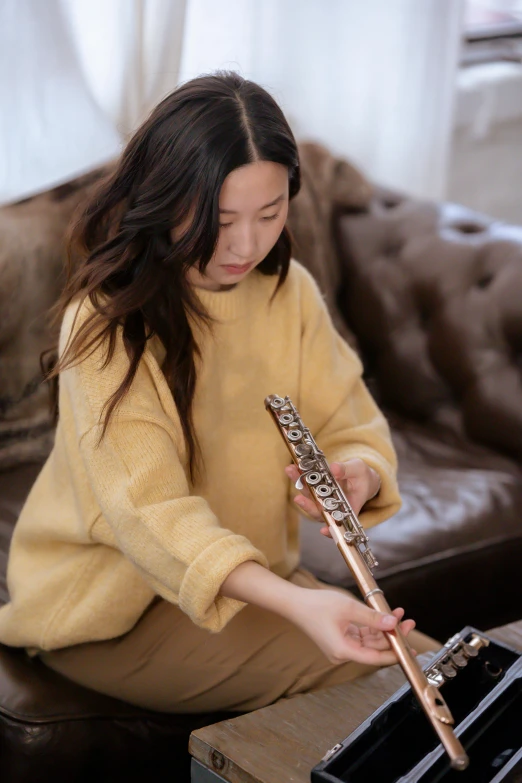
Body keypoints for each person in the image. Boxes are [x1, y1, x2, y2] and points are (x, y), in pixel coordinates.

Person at [0, 72, 437, 714]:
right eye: (218, 218)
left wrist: (359, 476)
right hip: (110, 612)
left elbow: (350, 421)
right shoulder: (106, 322)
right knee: (397, 687)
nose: (245, 244)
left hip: (251, 586)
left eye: (271, 212)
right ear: (163, 198)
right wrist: (300, 601)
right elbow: (151, 512)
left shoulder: (288, 294)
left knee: (446, 670)